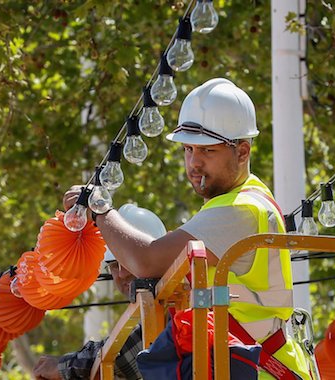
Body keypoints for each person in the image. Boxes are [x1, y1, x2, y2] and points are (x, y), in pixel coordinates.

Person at [62, 78, 312, 379]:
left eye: (207, 151)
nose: (193, 162)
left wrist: (99, 208)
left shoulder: (241, 209)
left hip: (259, 370)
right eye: (188, 149)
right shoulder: (230, 206)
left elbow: (146, 260)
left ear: (242, 152)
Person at [32, 204, 167, 380]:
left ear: (156, 256)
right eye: (113, 265)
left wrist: (61, 367)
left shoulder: (177, 294)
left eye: (127, 261)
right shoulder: (154, 305)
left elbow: (124, 357)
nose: (121, 273)